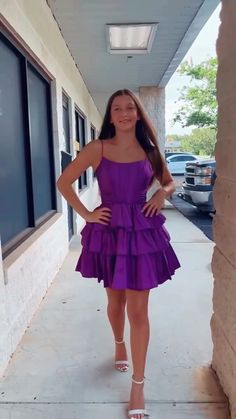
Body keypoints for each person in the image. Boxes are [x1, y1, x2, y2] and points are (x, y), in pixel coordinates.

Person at [57, 89, 181, 419]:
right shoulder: (98, 148)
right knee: (116, 303)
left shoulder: (150, 151)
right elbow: (64, 182)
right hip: (110, 232)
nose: (124, 113)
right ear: (110, 117)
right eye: (117, 109)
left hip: (141, 233)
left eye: (130, 108)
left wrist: (159, 196)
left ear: (138, 114)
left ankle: (138, 384)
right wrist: (87, 214)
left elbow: (169, 183)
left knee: (139, 311)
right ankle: (118, 342)